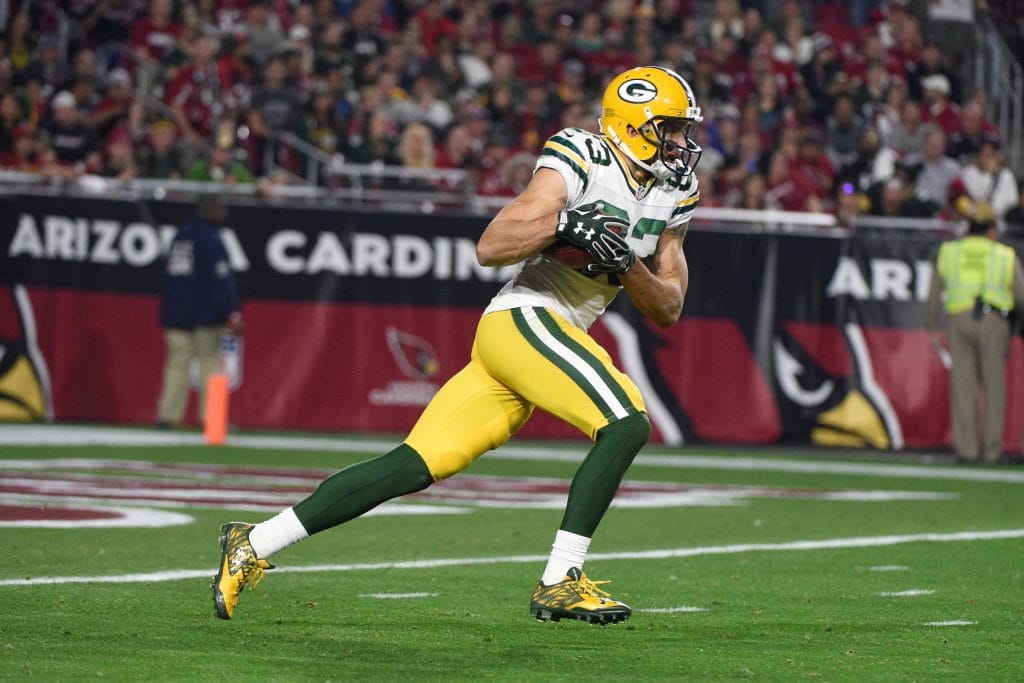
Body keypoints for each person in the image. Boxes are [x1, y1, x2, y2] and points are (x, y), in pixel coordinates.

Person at [212, 65, 703, 626]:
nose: (683, 144)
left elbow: (667, 306)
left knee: (414, 465)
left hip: (546, 337)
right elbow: (492, 246)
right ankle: (560, 578)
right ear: (635, 125)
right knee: (626, 421)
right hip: (526, 317)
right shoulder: (582, 156)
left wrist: (625, 259)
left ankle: (254, 541)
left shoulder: (676, 190)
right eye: (673, 129)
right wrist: (564, 223)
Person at [926, 201, 1024, 464]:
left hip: (959, 319)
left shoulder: (950, 252)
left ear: (968, 228)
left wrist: (932, 325)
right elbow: (1021, 294)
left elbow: (934, 290)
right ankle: (992, 451)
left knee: (963, 387)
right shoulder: (1004, 254)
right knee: (994, 388)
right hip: (994, 321)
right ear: (992, 229)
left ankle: (967, 450)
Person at [156, 197, 243, 428]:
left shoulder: (179, 236)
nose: (224, 213)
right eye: (221, 208)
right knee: (210, 364)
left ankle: (168, 417)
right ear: (211, 211)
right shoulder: (210, 238)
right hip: (205, 313)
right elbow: (220, 278)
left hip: (175, 311)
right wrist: (231, 311)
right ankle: (212, 419)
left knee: (176, 364)